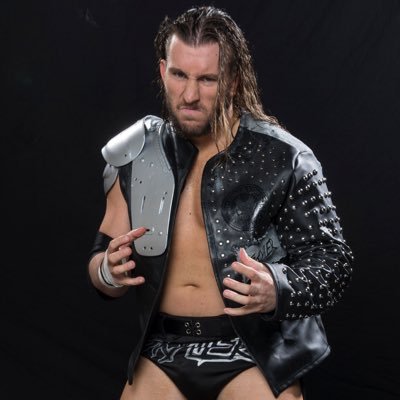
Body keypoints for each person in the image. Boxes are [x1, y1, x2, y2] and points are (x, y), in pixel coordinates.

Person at [87, 5, 354, 400]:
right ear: (163, 71)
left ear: (232, 80)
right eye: (179, 75)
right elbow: (101, 272)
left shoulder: (284, 157)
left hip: (253, 350)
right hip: (164, 349)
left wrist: (279, 288)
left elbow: (335, 262)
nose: (189, 95)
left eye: (207, 79)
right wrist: (108, 271)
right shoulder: (135, 155)